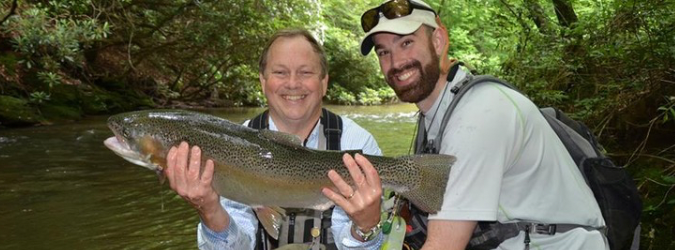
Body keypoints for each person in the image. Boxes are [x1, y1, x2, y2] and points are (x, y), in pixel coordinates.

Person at [323, 0, 610, 249]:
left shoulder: (479, 115)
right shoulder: (437, 113)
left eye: (406, 43)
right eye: (383, 52)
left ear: (438, 41)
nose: (396, 62)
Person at [163, 29, 384, 250]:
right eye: (280, 72)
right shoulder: (229, 147)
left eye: (305, 72)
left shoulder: (358, 143)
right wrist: (210, 211)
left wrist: (365, 228)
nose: (293, 83)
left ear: (324, 82)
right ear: (263, 81)